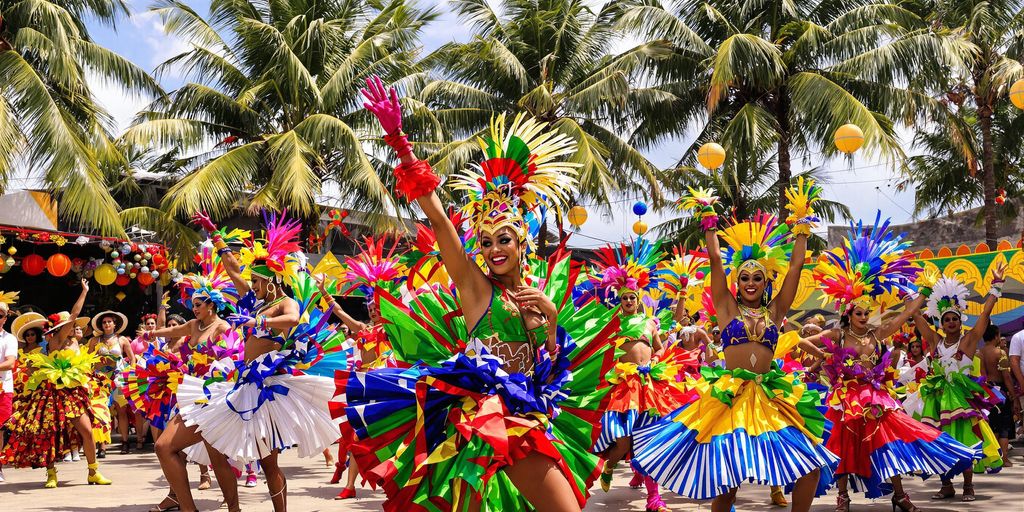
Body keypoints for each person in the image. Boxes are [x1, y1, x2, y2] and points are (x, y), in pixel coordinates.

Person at [339, 77, 617, 511]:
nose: (493, 250)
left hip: (531, 415)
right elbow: (439, 220)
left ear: (523, 242)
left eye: (503, 239)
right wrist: (400, 144)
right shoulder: (476, 288)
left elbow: (550, 373)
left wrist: (552, 322)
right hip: (490, 420)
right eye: (485, 243)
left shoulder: (534, 295)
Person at [632, 181, 837, 512]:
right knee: (727, 483)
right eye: (745, 277)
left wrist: (801, 228)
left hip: (770, 396)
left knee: (810, 467)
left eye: (758, 277)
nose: (752, 282)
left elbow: (796, 268)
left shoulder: (775, 311)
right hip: (731, 396)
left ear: (765, 282)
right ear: (736, 282)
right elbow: (715, 259)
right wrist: (709, 219)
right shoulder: (726, 309)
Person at [156, 211, 339, 512]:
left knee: (269, 466)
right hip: (238, 383)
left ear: (271, 281)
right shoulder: (256, 300)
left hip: (267, 390)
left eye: (256, 281)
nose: (250, 285)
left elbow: (293, 318)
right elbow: (231, 269)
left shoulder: (284, 302)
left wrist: (256, 319)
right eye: (251, 281)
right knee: (192, 448)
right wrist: (213, 232)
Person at [813, 216, 978, 512]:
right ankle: (842, 497)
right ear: (849, 313)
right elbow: (803, 339)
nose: (865, 317)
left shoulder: (878, 333)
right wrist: (825, 359)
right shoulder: (838, 335)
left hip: (875, 394)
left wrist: (924, 293)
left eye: (868, 312)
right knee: (845, 444)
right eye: (860, 313)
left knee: (890, 439)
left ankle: (899, 494)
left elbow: (905, 314)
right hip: (845, 398)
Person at [588, 238, 695, 512]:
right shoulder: (612, 322)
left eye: (632, 297)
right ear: (619, 299)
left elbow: (659, 349)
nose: (627, 301)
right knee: (623, 439)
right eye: (623, 297)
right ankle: (610, 465)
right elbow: (600, 350)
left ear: (638, 299)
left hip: (649, 383)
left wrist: (655, 361)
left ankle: (654, 499)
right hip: (624, 385)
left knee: (647, 438)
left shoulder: (649, 322)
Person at [315, 236, 402, 500]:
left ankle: (391, 484)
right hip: (362, 384)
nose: (374, 311)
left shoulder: (393, 331)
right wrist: (323, 291)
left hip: (384, 385)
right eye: (371, 307)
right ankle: (350, 485)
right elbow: (339, 312)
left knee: (385, 438)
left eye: (378, 307)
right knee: (355, 438)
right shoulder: (363, 329)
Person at [2, 279, 111, 487]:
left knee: (87, 432)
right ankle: (51, 473)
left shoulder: (76, 341)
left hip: (75, 392)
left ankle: (93, 472)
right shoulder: (57, 340)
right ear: (62, 327)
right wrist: (84, 292)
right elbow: (75, 314)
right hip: (53, 392)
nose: (73, 326)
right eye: (69, 324)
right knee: (50, 433)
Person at [911, 268, 1007, 500]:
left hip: (962, 400)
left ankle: (968, 486)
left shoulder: (970, 339)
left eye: (955, 318)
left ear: (960, 321)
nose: (951, 322)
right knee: (941, 441)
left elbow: (985, 314)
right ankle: (946, 485)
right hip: (937, 400)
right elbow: (916, 318)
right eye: (946, 319)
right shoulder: (935, 340)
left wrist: (996, 286)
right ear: (941, 324)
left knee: (965, 441)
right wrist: (910, 296)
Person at [89, 310, 135, 454]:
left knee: (121, 411)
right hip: (100, 380)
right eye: (104, 322)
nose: (107, 324)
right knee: (101, 411)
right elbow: (89, 359)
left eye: (109, 321)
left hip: (118, 379)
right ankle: (102, 445)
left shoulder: (122, 340)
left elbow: (132, 358)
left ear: (115, 324)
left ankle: (125, 442)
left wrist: (130, 374)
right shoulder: (94, 341)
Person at [979, 325, 1018, 468]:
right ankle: (1004, 459)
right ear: (996, 336)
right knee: (1004, 428)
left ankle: (992, 459)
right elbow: (1006, 376)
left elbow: (982, 375)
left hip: (986, 391)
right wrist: (1013, 395)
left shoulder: (979, 353)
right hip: (1000, 391)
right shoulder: (1000, 353)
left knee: (991, 425)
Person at [0, 292, 20, 483]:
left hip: (2, 388)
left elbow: (10, 363)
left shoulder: (9, 339)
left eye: (0, 315)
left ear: (5, 318)